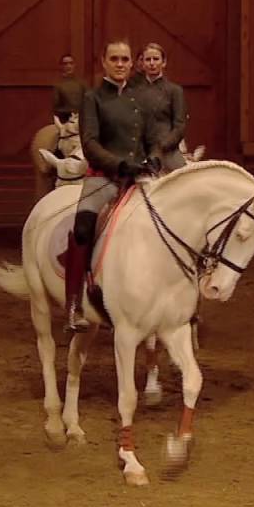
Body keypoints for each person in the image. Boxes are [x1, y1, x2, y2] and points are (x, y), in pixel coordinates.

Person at [63, 40, 159, 334]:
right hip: (102, 177)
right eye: (114, 59)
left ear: (133, 64)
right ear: (104, 62)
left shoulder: (141, 98)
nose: (120, 64)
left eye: (125, 59)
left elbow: (153, 137)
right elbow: (90, 143)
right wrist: (119, 165)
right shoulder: (93, 98)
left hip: (139, 177)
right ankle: (74, 305)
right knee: (82, 229)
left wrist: (153, 158)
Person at [134, 42, 188, 173]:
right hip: (139, 151)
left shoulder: (174, 91)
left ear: (163, 62)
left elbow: (179, 126)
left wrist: (162, 147)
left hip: (167, 150)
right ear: (142, 63)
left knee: (183, 180)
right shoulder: (133, 91)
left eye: (156, 59)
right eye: (148, 59)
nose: (152, 63)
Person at [51, 54, 90, 124]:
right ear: (61, 66)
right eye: (65, 64)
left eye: (71, 63)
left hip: (82, 120)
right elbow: (56, 108)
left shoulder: (82, 83)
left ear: (74, 65)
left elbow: (89, 102)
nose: (68, 66)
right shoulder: (58, 85)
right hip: (65, 121)